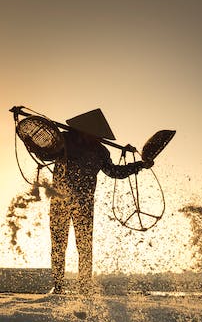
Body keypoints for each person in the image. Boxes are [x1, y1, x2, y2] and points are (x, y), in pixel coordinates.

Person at [49, 109, 152, 294]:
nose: (95, 137)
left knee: (84, 246)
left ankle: (85, 286)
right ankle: (58, 285)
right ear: (82, 130)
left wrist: (139, 165)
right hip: (60, 199)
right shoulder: (64, 140)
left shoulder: (100, 151)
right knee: (58, 243)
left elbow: (114, 172)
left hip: (84, 203)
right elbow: (44, 152)